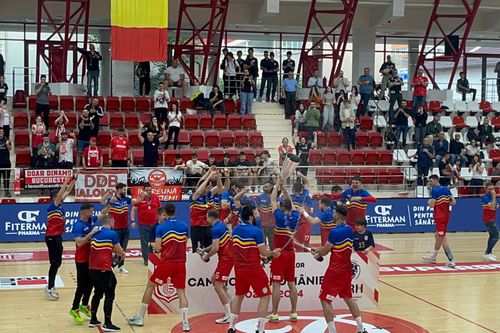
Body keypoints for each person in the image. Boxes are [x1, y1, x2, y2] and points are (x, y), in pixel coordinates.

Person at [127, 203, 191, 331]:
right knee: (181, 292)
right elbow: (184, 242)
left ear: (165, 213)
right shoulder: (184, 226)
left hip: (167, 262)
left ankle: (140, 317)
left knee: (150, 285)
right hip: (181, 263)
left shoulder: (161, 227)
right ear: (175, 212)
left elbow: (157, 248)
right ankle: (185, 323)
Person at [313, 205, 368, 333]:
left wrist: (318, 252)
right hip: (347, 269)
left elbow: (326, 251)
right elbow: (333, 247)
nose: (332, 215)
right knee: (349, 298)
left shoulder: (334, 232)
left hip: (335, 270)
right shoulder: (350, 229)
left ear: (337, 215)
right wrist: (320, 251)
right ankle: (361, 328)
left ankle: (332, 331)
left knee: (325, 300)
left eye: (333, 213)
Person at [227, 205, 281, 333]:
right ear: (250, 216)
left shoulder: (236, 230)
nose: (257, 214)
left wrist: (260, 255)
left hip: (239, 268)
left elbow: (244, 249)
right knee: (265, 296)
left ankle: (231, 327)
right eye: (255, 212)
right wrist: (273, 253)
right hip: (253, 269)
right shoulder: (256, 231)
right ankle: (260, 329)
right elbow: (263, 251)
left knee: (238, 296)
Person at [70, 203, 109, 325]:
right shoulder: (78, 225)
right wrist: (91, 234)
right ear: (84, 211)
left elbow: (103, 213)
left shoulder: (91, 220)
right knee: (81, 285)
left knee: (91, 282)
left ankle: (84, 304)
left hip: (91, 258)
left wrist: (110, 203)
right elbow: (79, 243)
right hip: (81, 259)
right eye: (91, 211)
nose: (93, 213)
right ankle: (74, 308)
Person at [268, 178, 299, 322]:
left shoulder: (279, 216)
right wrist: (284, 188)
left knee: (276, 284)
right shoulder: (296, 216)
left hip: (279, 254)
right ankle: (293, 312)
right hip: (291, 254)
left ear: (281, 207)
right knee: (291, 283)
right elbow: (291, 203)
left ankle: (274, 313)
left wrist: (277, 185)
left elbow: (272, 198)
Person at [88, 214, 125, 331]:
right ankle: (107, 323)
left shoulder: (95, 233)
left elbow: (101, 249)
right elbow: (120, 251)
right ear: (111, 223)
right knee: (110, 295)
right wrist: (121, 256)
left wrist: (111, 254)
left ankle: (93, 319)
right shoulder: (112, 234)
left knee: (98, 293)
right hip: (104, 268)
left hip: (92, 268)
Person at [199, 210, 234, 324]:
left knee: (218, 286)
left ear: (211, 217)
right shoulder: (221, 226)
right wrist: (205, 250)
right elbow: (215, 244)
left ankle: (229, 315)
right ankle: (231, 300)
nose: (206, 219)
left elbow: (216, 248)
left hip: (226, 259)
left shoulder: (214, 229)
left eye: (207, 217)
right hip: (227, 257)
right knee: (213, 280)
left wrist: (206, 256)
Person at [44, 176, 75, 300]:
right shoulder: (53, 205)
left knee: (57, 263)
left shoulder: (60, 206)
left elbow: (67, 191)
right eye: (59, 195)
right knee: (54, 263)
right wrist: (66, 181)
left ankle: (50, 286)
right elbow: (62, 192)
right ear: (54, 197)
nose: (62, 196)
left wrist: (74, 180)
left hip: (58, 236)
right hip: (51, 237)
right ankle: (50, 287)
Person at [423, 175, 456, 268]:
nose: (430, 183)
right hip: (446, 215)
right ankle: (433, 257)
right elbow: (453, 202)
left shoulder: (435, 190)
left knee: (443, 237)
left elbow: (432, 205)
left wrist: (429, 202)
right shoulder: (446, 189)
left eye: (430, 181)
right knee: (437, 235)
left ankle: (451, 260)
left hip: (439, 216)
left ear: (435, 180)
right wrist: (444, 204)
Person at [100, 183, 132, 274]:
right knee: (114, 249)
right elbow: (102, 201)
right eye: (123, 189)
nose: (125, 191)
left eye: (125, 189)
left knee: (123, 249)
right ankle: (110, 266)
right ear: (118, 190)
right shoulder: (112, 199)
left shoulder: (127, 199)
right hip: (115, 229)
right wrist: (108, 193)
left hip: (125, 228)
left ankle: (121, 266)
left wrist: (142, 197)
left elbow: (136, 201)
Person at [189, 169, 223, 253]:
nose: (210, 189)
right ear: (203, 187)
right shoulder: (194, 197)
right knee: (197, 252)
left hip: (209, 228)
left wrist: (218, 176)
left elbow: (219, 187)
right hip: (197, 229)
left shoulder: (209, 195)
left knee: (210, 251)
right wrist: (208, 177)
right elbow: (198, 189)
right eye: (208, 187)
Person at [131, 183, 162, 266]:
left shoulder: (155, 197)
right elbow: (133, 210)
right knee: (145, 243)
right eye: (147, 190)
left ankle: (156, 258)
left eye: (150, 190)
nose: (148, 192)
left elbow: (160, 210)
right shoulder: (139, 198)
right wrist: (133, 221)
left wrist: (161, 220)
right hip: (143, 225)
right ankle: (146, 259)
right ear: (143, 191)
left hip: (155, 224)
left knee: (155, 241)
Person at [290, 174, 314, 249]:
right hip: (297, 221)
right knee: (297, 242)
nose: (295, 192)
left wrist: (301, 175)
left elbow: (307, 182)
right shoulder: (291, 196)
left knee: (306, 240)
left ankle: (306, 252)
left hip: (306, 220)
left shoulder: (306, 193)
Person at [482, 182, 499, 261]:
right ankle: (487, 253)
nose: (491, 190)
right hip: (489, 220)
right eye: (489, 189)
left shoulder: (491, 197)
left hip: (491, 218)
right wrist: (494, 196)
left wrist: (494, 202)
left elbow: (496, 206)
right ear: (486, 189)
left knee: (492, 236)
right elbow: (492, 206)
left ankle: (489, 253)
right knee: (496, 236)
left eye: (492, 189)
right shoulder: (485, 197)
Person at [256, 183, 275, 249]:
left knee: (272, 244)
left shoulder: (274, 197)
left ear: (271, 187)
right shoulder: (259, 197)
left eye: (266, 187)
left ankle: (272, 258)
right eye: (264, 187)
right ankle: (264, 258)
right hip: (262, 224)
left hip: (272, 225)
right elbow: (257, 209)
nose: (265, 188)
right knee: (263, 243)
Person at [0, 127, 11, 197]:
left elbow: (10, 148)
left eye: (1, 132)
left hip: (6, 163)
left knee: (6, 179)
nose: (0, 133)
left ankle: (7, 192)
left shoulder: (6, 139)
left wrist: (7, 144)